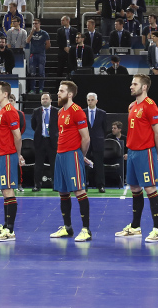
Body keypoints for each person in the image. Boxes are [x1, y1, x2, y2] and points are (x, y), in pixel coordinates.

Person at [109, 75, 158, 242]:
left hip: (145, 152)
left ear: (144, 87)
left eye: (135, 84)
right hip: (132, 152)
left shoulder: (150, 106)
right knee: (134, 189)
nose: (131, 86)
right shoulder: (133, 106)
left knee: (150, 189)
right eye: (131, 83)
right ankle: (135, 227)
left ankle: (157, 230)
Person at [49, 81, 93, 242]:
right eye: (58, 90)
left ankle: (86, 230)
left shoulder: (77, 111)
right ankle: (67, 228)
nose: (58, 93)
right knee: (63, 192)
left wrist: (80, 155)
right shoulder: (61, 112)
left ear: (70, 94)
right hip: (60, 155)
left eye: (61, 91)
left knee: (79, 191)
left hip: (72, 155)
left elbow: (86, 138)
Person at [0, 82, 25, 242]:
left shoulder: (10, 111)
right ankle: (5, 226)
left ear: (5, 94)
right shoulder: (3, 111)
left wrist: (18, 155)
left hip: (7, 155)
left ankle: (10, 230)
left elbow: (17, 136)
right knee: (5, 191)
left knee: (9, 190)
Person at [31, 92, 59, 192]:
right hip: (40, 140)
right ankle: (37, 185)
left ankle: (56, 185)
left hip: (52, 141)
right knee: (38, 164)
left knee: (54, 164)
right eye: (43, 99)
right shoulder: (36, 111)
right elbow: (34, 125)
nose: (44, 100)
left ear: (51, 100)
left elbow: (59, 125)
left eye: (46, 98)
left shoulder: (57, 111)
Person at [84, 93, 108, 193]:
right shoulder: (82, 112)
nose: (90, 102)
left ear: (96, 101)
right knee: (84, 164)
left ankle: (101, 185)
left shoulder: (102, 113)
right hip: (85, 142)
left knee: (99, 165)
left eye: (92, 100)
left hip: (98, 142)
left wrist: (100, 138)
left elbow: (105, 128)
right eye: (88, 100)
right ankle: (83, 185)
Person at [27, 19, 50, 93]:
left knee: (41, 72)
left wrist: (42, 50)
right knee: (32, 72)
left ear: (39, 24)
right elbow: (27, 41)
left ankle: (41, 89)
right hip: (33, 54)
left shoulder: (44, 33)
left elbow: (48, 44)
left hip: (41, 54)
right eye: (33, 23)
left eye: (36, 23)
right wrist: (31, 32)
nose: (35, 25)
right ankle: (32, 89)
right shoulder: (31, 33)